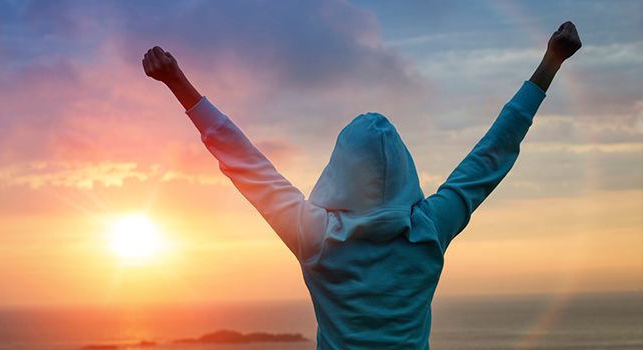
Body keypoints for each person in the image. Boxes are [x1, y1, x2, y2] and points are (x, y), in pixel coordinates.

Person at [142, 22, 581, 349]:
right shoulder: (430, 227)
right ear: (405, 167)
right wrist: (551, 62)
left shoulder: (314, 234)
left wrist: (177, 83)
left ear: (338, 170)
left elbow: (247, 165)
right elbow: (492, 154)